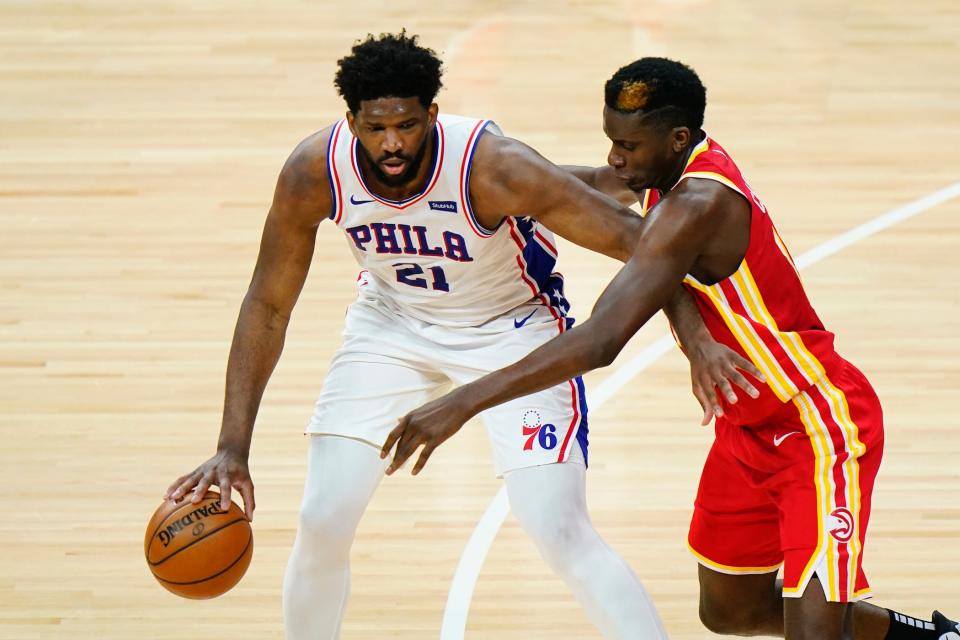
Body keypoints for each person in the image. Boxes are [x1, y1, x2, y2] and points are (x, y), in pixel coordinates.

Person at [162, 33, 752, 639]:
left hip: (512, 328)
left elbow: (643, 247)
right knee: (322, 516)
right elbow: (267, 305)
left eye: (408, 125)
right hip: (391, 325)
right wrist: (233, 443)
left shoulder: (494, 167)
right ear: (351, 121)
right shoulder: (315, 171)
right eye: (376, 127)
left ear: (433, 116)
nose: (392, 143)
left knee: (557, 527)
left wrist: (697, 340)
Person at [382, 57, 960, 640]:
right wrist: (458, 172)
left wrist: (463, 402)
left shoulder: (698, 205)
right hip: (745, 427)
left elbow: (603, 338)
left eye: (627, 145)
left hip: (816, 422)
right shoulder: (670, 168)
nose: (614, 157)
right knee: (730, 613)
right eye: (611, 140)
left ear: (676, 137)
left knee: (812, 634)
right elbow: (570, 187)